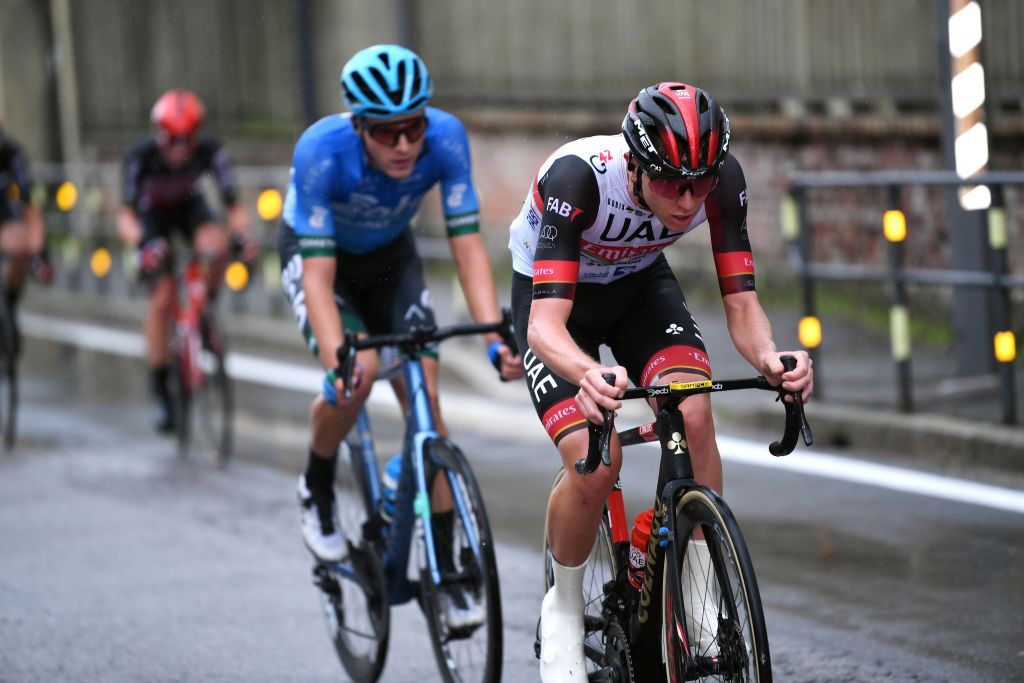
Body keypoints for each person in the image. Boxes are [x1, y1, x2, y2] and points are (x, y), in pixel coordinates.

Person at [506, 82, 814, 681]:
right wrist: (587, 372)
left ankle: (699, 588)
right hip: (557, 302)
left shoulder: (721, 182)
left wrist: (772, 360)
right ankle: (564, 608)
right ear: (636, 163)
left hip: (641, 290)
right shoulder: (577, 179)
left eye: (699, 182)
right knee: (597, 461)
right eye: (673, 181)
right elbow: (545, 328)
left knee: (694, 413)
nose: (688, 197)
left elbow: (743, 304)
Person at [276, 44, 521, 616]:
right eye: (388, 134)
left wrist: (493, 336)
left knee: (428, 409)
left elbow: (466, 245)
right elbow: (316, 276)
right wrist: (338, 357)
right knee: (356, 375)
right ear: (359, 126)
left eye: (414, 127)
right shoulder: (321, 151)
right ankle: (316, 486)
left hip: (391, 259)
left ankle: (446, 571)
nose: (407, 145)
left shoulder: (447, 138)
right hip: (322, 259)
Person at [118, 89, 256, 433]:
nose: (179, 149)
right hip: (153, 220)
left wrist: (242, 237)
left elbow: (233, 205)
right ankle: (160, 383)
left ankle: (204, 309)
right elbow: (126, 216)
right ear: (159, 135)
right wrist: (142, 244)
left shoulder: (211, 150)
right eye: (172, 140)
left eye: (187, 140)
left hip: (190, 209)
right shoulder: (141, 156)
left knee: (217, 245)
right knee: (163, 296)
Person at [0, 122, 51, 350]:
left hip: (4, 213)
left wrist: (38, 253)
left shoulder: (13, 154)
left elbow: (30, 204)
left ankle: (9, 303)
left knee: (19, 247)